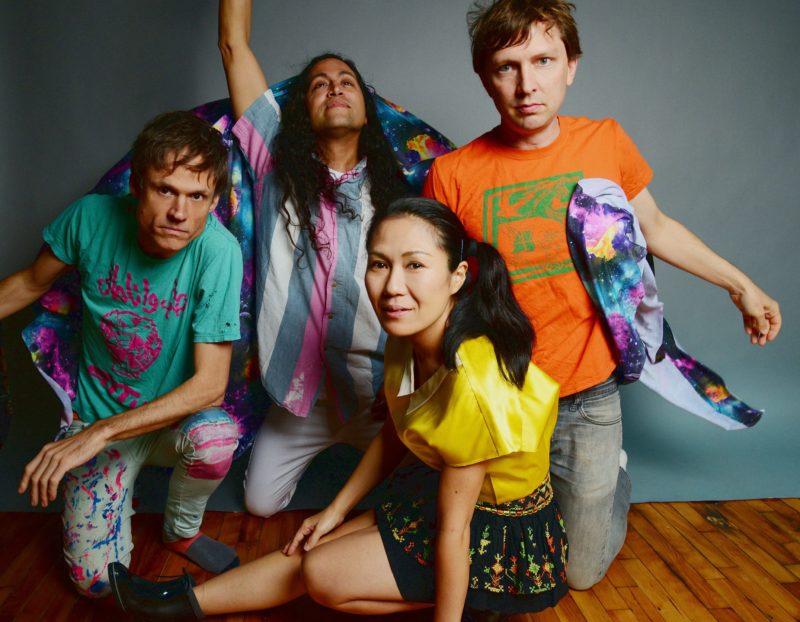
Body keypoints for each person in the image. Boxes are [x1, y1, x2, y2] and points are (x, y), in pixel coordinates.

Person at [422, 0, 782, 590]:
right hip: (502, 397)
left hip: (587, 398)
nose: (526, 83)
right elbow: (436, 287)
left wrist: (740, 284)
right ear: (484, 77)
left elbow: (657, 228)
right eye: (506, 66)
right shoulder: (455, 174)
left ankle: (612, 472)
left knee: (580, 572)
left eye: (543, 60)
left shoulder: (604, 142)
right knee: (493, 555)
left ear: (572, 66)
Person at [108, 196, 567, 621]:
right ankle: (177, 608)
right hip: (437, 484)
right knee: (316, 542)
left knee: (322, 572)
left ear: (457, 277)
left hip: (499, 534)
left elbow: (456, 532)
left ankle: (479, 604)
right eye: (380, 265)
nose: (392, 287)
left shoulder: (476, 384)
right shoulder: (407, 339)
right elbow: (397, 432)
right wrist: (335, 511)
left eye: (415, 266)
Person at [0, 111, 244, 596]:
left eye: (196, 196)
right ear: (136, 185)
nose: (180, 212)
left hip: (170, 425)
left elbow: (211, 385)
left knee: (217, 438)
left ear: (213, 201)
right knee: (95, 585)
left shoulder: (219, 252)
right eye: (165, 190)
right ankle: (114, 494)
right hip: (97, 419)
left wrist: (98, 434)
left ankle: (181, 529)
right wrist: (94, 432)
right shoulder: (90, 217)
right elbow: (29, 282)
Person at [218, 0, 410, 518]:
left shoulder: (398, 191)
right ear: (304, 109)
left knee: (423, 494)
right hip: (301, 398)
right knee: (259, 505)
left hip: (379, 399)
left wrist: (403, 388)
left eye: (347, 81)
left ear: (368, 110)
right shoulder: (273, 169)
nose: (335, 88)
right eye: (320, 84)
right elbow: (234, 46)